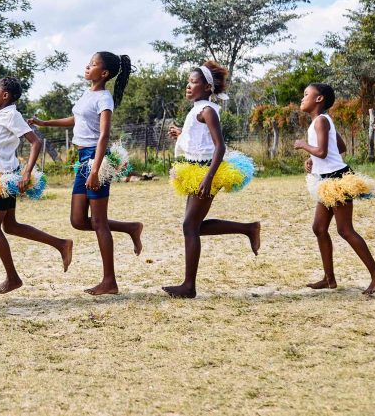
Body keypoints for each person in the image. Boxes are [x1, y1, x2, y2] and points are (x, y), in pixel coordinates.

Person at [28, 52, 143, 295]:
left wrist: (96, 169)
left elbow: (104, 135)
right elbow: (76, 118)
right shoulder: (87, 94)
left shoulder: (104, 98)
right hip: (82, 159)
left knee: (99, 221)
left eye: (93, 64)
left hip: (95, 158)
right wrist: (45, 123)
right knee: (78, 220)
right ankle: (131, 228)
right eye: (88, 62)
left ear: (104, 73)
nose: (87, 66)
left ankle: (109, 281)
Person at [0, 77, 73, 294]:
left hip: (3, 178)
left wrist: (26, 172)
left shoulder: (13, 115)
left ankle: (13, 278)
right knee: (10, 226)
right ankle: (61, 244)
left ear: (5, 95)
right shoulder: (1, 115)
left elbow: (35, 142)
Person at [164, 61, 260, 299]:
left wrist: (208, 178)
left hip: (205, 172)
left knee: (189, 226)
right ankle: (248, 229)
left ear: (207, 87)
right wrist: (181, 134)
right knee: (192, 226)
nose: (188, 86)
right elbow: (199, 140)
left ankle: (189, 286)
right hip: (194, 169)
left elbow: (219, 146)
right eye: (188, 81)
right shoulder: (197, 109)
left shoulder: (208, 110)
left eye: (194, 82)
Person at [295, 83, 375, 294]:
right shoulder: (323, 121)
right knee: (319, 228)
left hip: (337, 180)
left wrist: (303, 146)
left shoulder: (321, 121)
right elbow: (340, 148)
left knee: (345, 230)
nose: (303, 98)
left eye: (306, 94)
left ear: (319, 99)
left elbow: (323, 152)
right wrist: (311, 159)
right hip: (326, 181)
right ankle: (329, 279)